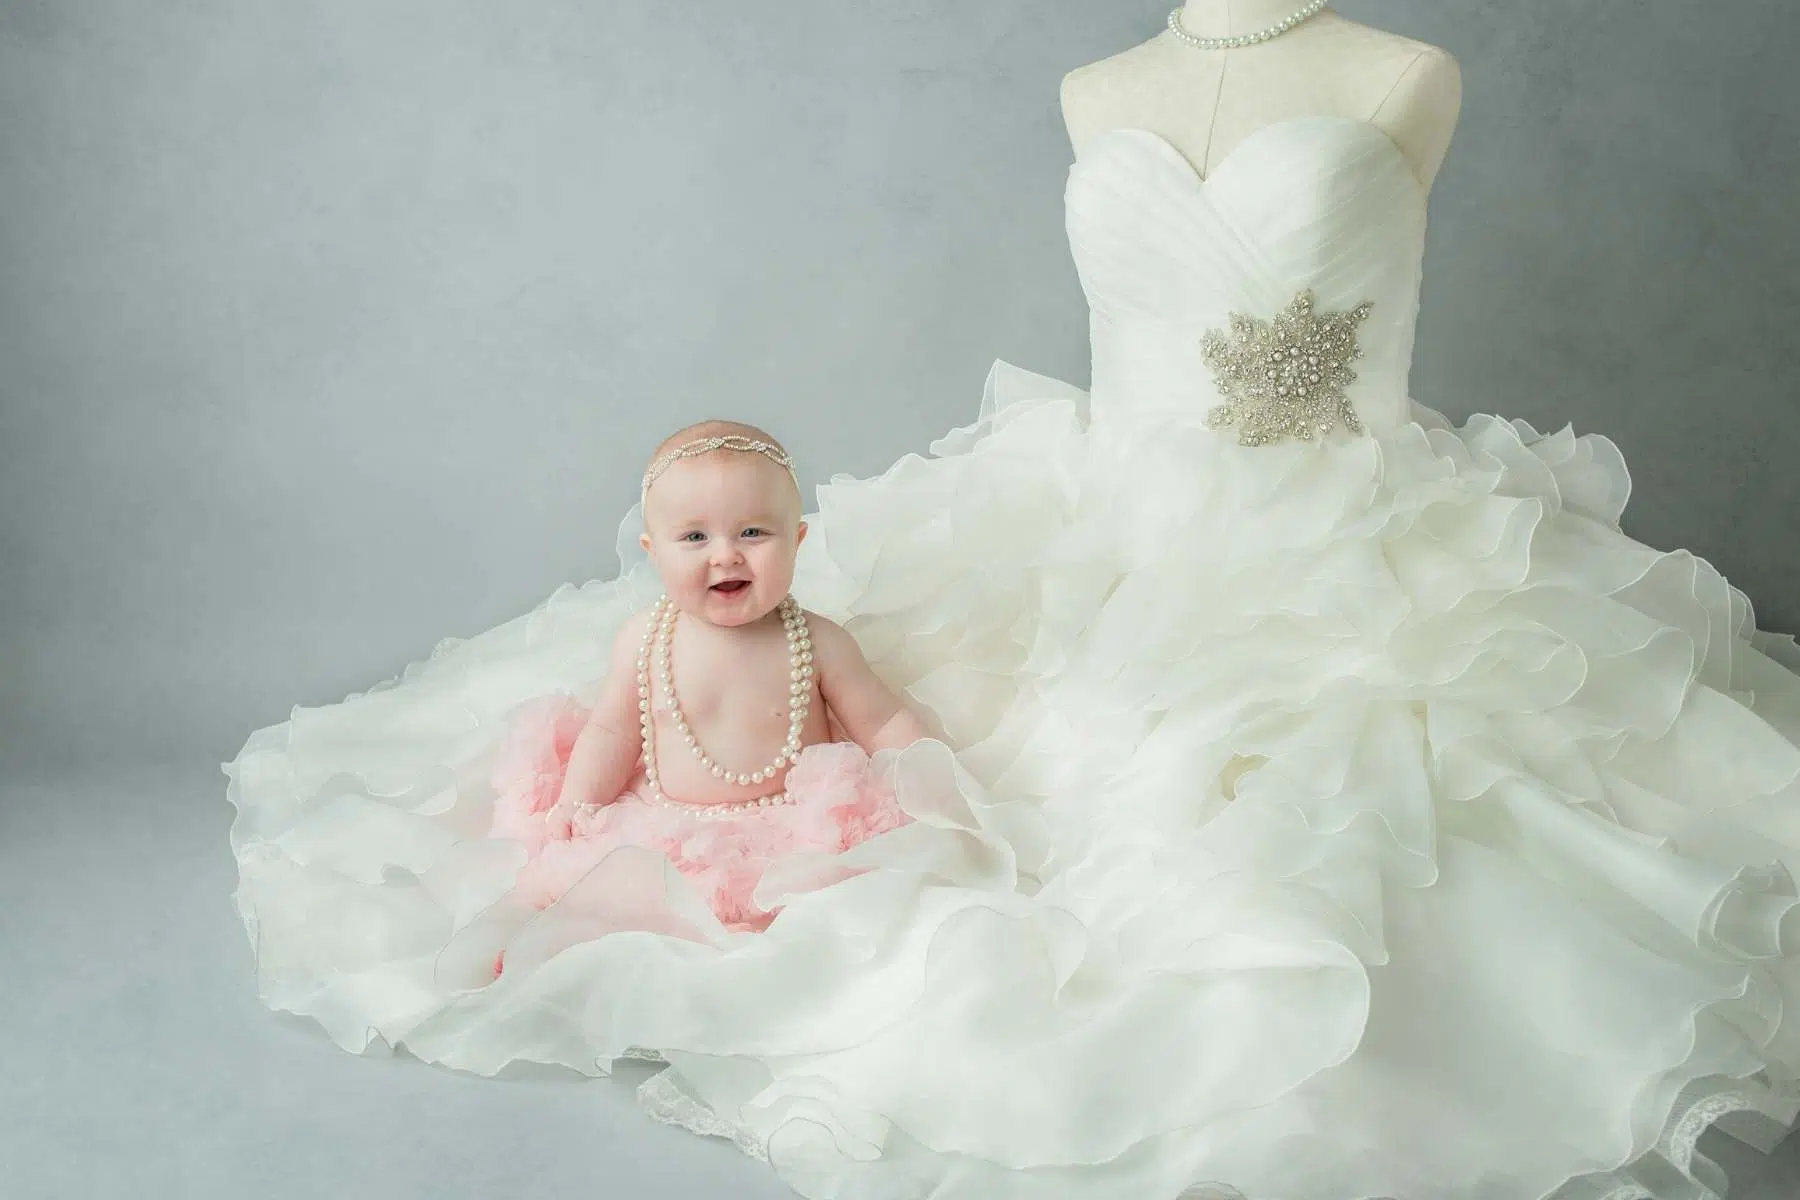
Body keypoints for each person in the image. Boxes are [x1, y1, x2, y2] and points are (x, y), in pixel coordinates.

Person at [226, 5, 1800, 1198]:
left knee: (1315, 805)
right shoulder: (1104, 82)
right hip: (1093, 507)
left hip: (1345, 515)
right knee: (997, 747)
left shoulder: (1404, 71)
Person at [483, 421, 925, 938]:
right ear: (654, 551)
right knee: (607, 905)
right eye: (695, 537)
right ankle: (539, 942)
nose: (725, 554)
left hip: (796, 829)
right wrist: (578, 803)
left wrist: (928, 777)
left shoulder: (819, 641)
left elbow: (882, 720)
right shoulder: (644, 640)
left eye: (753, 532)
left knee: (829, 916)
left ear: (797, 540)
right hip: (672, 829)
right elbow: (612, 733)